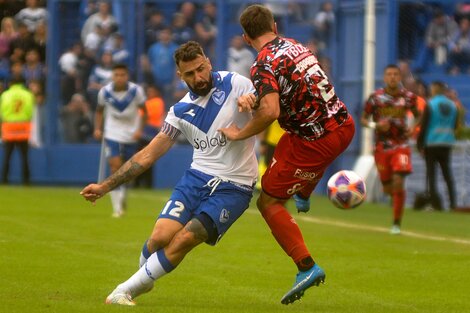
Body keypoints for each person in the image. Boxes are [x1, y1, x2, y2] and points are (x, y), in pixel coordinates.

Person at [80, 41, 258, 305]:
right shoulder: (180, 111)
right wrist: (105, 186)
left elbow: (269, 103)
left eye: (201, 69)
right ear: (180, 75)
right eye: (190, 74)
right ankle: (144, 279)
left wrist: (252, 100)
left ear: (208, 62)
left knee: (188, 236)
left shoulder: (237, 83)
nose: (198, 77)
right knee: (160, 237)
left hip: (236, 184)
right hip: (197, 177)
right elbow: (148, 155)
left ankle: (124, 290)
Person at [219, 4, 355, 305]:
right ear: (275, 27)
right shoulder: (296, 46)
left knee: (267, 201)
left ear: (245, 37)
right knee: (285, 146)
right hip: (343, 123)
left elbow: (271, 111)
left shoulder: (263, 63)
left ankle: (306, 266)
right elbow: (292, 89)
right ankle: (304, 191)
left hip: (316, 142)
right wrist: (254, 97)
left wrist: (239, 133)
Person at [361, 65, 419, 234]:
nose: (392, 77)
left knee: (398, 181)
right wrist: (376, 125)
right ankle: (393, 199)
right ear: (384, 78)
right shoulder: (375, 98)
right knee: (387, 188)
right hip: (381, 147)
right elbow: (364, 119)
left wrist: (413, 127)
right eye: (389, 74)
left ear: (400, 77)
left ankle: (396, 223)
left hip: (401, 145)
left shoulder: (408, 97)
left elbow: (418, 115)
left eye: (395, 74)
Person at [93, 63, 147, 218]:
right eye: (116, 75)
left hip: (131, 134)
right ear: (112, 76)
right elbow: (99, 111)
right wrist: (97, 128)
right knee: (115, 167)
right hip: (112, 133)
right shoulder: (105, 92)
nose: (119, 78)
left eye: (122, 75)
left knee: (127, 170)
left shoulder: (136, 91)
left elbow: (144, 112)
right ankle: (117, 208)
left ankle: (122, 195)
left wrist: (139, 130)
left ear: (127, 76)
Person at [417, 81, 458, 210]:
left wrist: (420, 145)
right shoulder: (453, 105)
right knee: (448, 175)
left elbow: (424, 126)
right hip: (447, 143)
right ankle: (452, 204)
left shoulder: (430, 105)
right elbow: (455, 125)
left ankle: (435, 204)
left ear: (434, 89)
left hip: (432, 143)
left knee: (431, 175)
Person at [0, 75, 35, 184]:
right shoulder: (28, 94)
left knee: (7, 156)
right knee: (24, 156)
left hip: (9, 126)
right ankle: (26, 180)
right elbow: (30, 111)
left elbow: (2, 110)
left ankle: (4, 180)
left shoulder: (5, 94)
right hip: (23, 126)